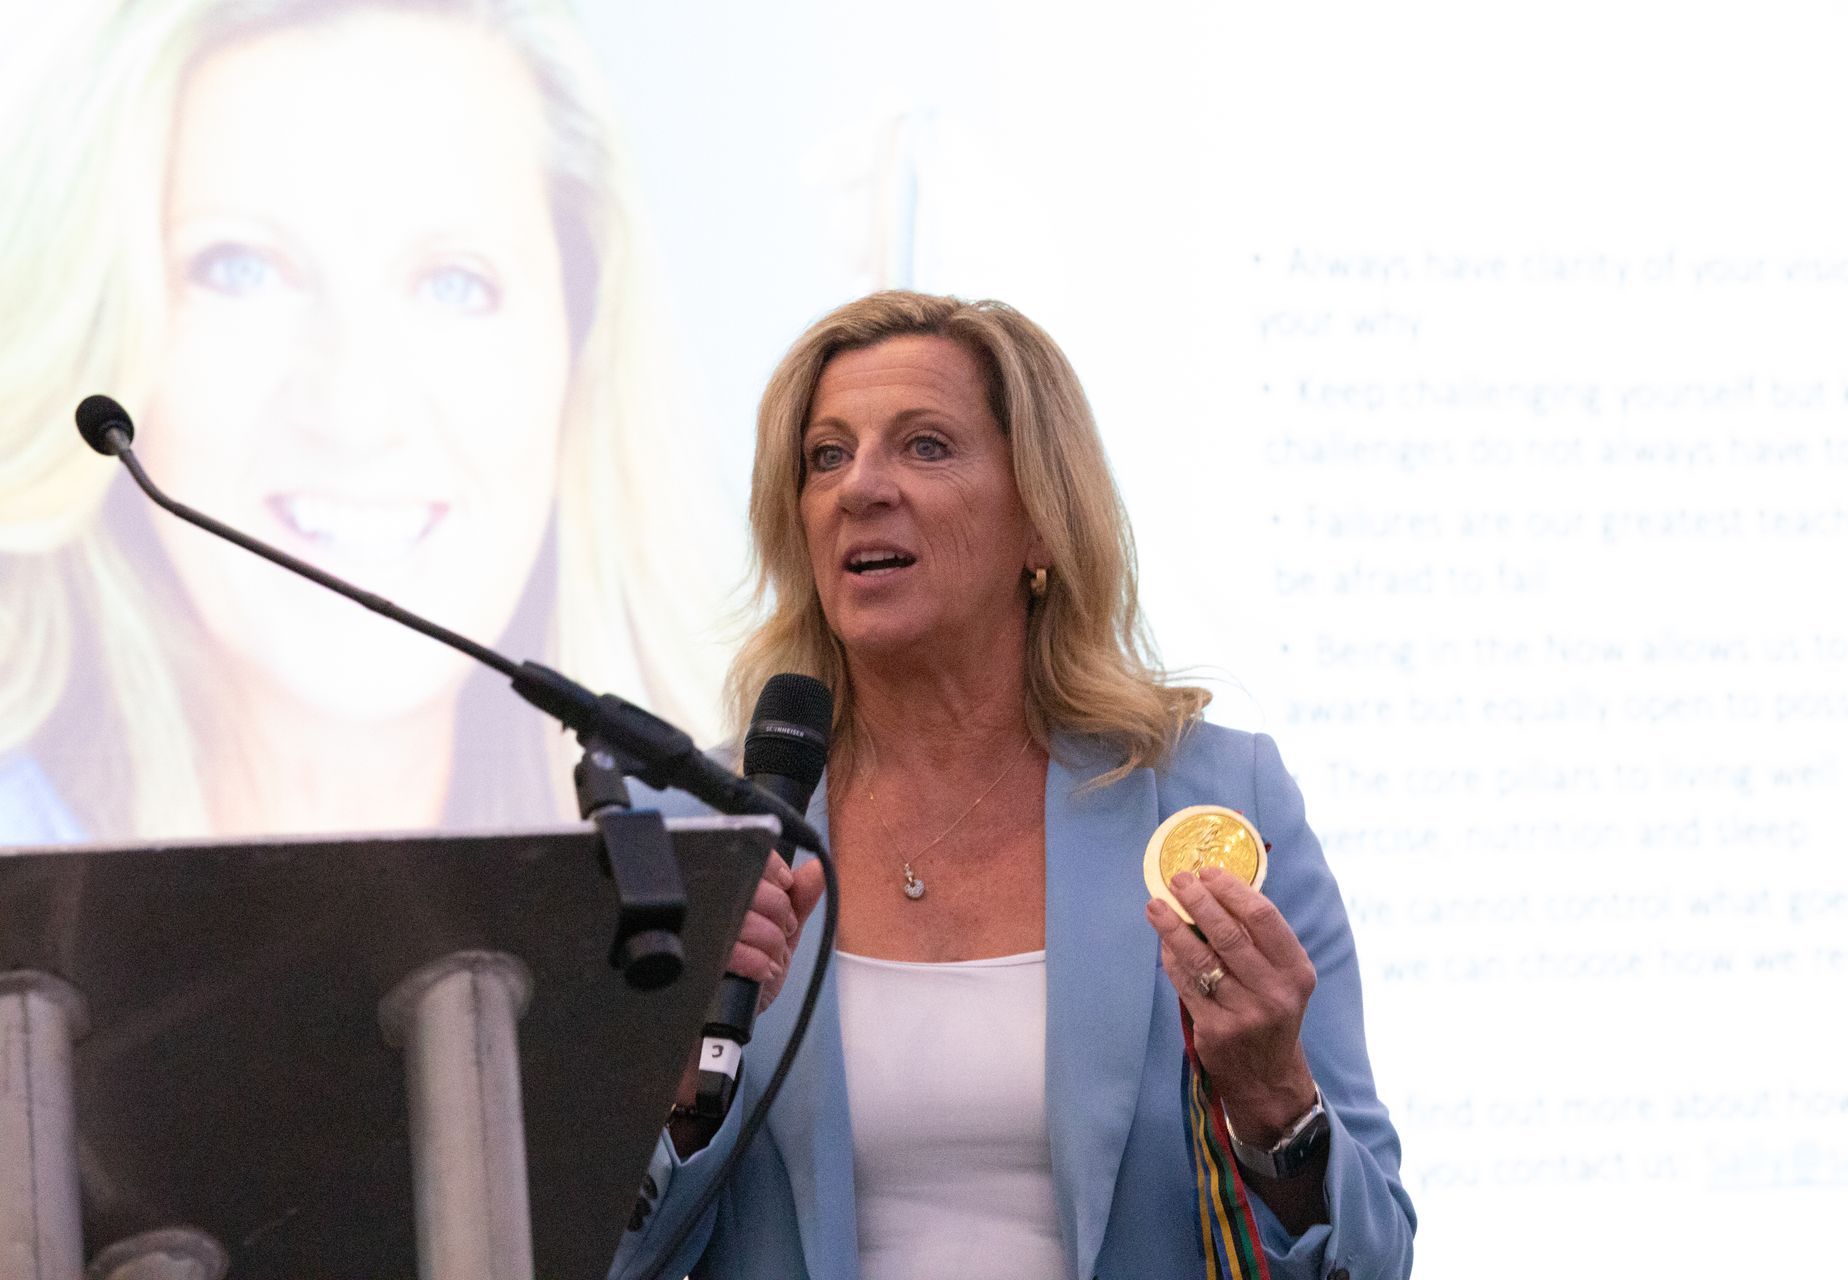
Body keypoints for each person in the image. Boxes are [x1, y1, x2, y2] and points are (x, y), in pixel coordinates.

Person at [610, 291, 1414, 1279]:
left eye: (926, 446)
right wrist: (682, 1084)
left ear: (1040, 517)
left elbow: (1372, 1261)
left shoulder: (1213, 797)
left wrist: (1274, 1101)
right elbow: (586, 1255)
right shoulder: (697, 835)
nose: (861, 486)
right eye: (827, 455)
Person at [0, 0, 731, 845]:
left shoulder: (729, 871)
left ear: (580, 351)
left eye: (454, 283)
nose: (356, 412)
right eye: (240, 268)